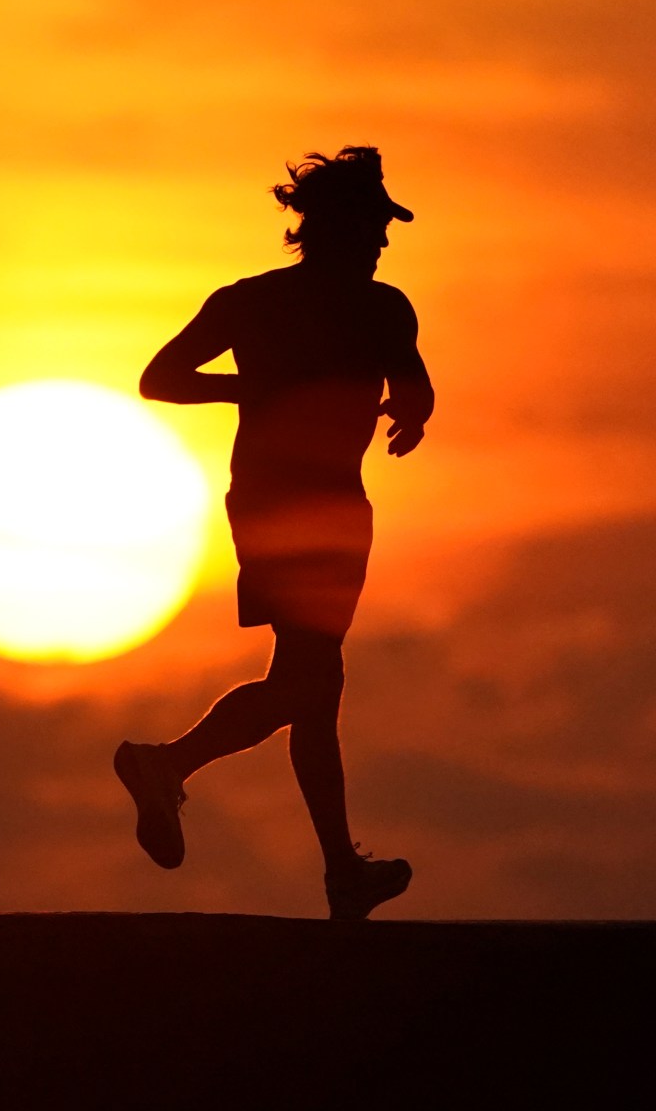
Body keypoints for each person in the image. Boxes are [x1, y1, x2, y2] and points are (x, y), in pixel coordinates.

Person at [114, 146, 434, 920]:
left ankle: (339, 872)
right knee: (313, 680)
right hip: (290, 505)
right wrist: (251, 384)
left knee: (314, 687)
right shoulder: (268, 302)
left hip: (317, 505)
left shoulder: (369, 307)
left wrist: (409, 413)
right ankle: (169, 763)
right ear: (335, 226)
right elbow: (158, 379)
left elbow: (415, 386)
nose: (383, 243)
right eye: (373, 227)